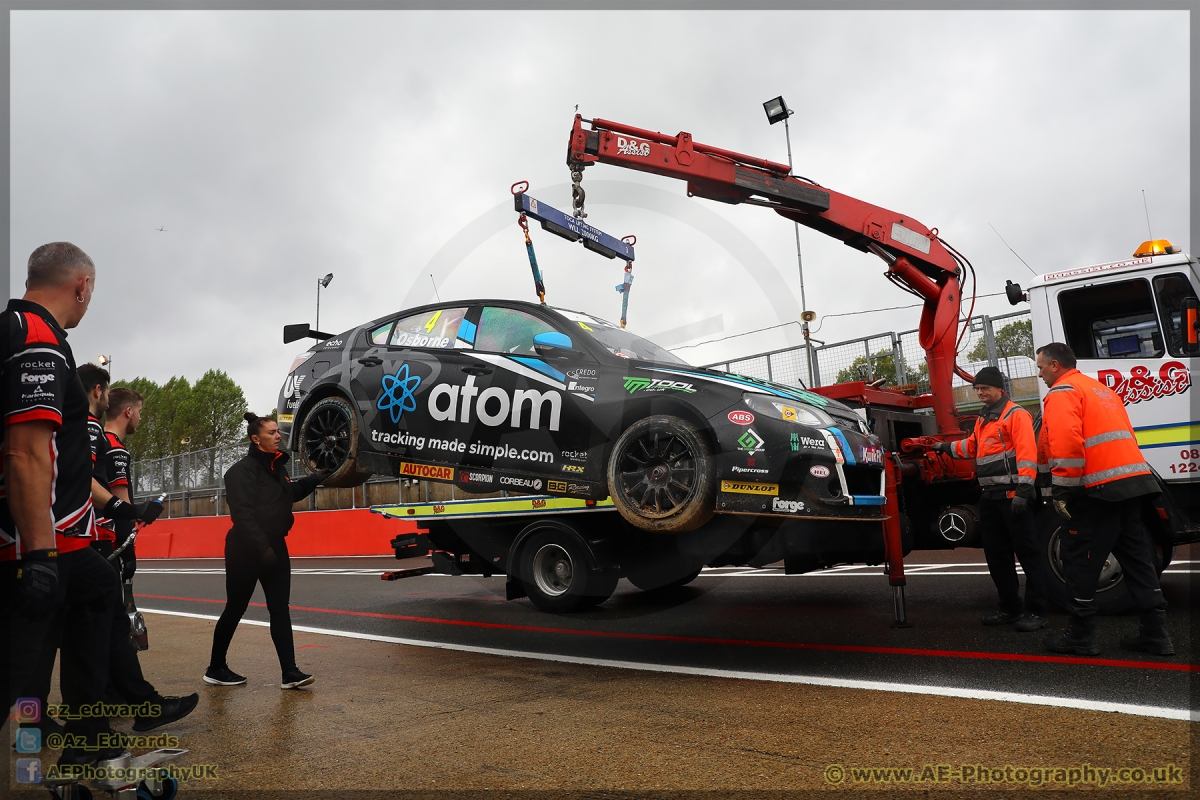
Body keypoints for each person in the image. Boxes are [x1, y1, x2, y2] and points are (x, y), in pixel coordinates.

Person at [2, 243, 151, 765]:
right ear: (82, 286)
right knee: (20, 665)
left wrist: (113, 510)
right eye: (92, 292)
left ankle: (83, 741)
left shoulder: (21, 330)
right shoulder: (39, 338)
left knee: (92, 593)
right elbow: (25, 452)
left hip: (45, 536)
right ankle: (83, 737)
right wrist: (39, 554)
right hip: (39, 539)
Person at [1035, 342, 1173, 656]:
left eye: (1041, 367)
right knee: (1137, 559)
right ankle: (1156, 633)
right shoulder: (1101, 391)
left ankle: (1081, 636)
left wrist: (1063, 490)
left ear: (1055, 365)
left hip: (1097, 489)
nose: (1040, 373)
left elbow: (1067, 441)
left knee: (1080, 559)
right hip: (1132, 483)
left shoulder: (1062, 392)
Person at [205, 413, 326, 689]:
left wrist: (316, 477)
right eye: (272, 432)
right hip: (245, 548)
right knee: (235, 608)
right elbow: (243, 516)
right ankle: (216, 667)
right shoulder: (240, 472)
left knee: (280, 609)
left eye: (277, 431)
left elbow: (289, 493)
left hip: (274, 545)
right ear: (256, 439)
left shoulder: (276, 467)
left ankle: (290, 673)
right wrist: (262, 547)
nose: (278, 435)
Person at [933, 366, 1047, 631]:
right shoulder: (985, 418)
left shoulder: (1015, 414)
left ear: (999, 389)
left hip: (1012, 496)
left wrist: (1024, 490)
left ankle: (1037, 612)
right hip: (991, 497)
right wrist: (944, 447)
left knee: (1029, 555)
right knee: (997, 557)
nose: (980, 392)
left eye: (984, 388)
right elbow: (971, 447)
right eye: (977, 389)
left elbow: (1027, 453)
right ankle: (1009, 608)